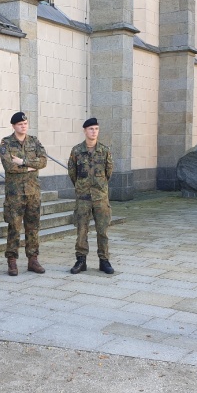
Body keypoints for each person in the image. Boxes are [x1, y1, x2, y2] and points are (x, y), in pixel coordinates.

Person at [0, 111, 47, 276]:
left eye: (25, 124)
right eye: (20, 124)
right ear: (13, 126)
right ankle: (12, 261)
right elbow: (9, 166)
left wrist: (23, 162)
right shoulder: (6, 143)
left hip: (33, 192)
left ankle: (33, 260)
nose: (23, 126)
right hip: (15, 195)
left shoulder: (34, 141)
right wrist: (29, 167)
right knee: (14, 227)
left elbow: (43, 161)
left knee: (33, 227)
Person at [67, 118, 114, 275]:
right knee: (82, 230)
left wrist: (98, 187)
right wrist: (82, 187)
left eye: (96, 129)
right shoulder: (76, 151)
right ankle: (81, 260)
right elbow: (72, 173)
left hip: (100, 198)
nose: (94, 131)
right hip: (83, 198)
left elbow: (109, 173)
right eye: (91, 129)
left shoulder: (105, 150)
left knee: (103, 230)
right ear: (85, 131)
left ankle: (104, 260)